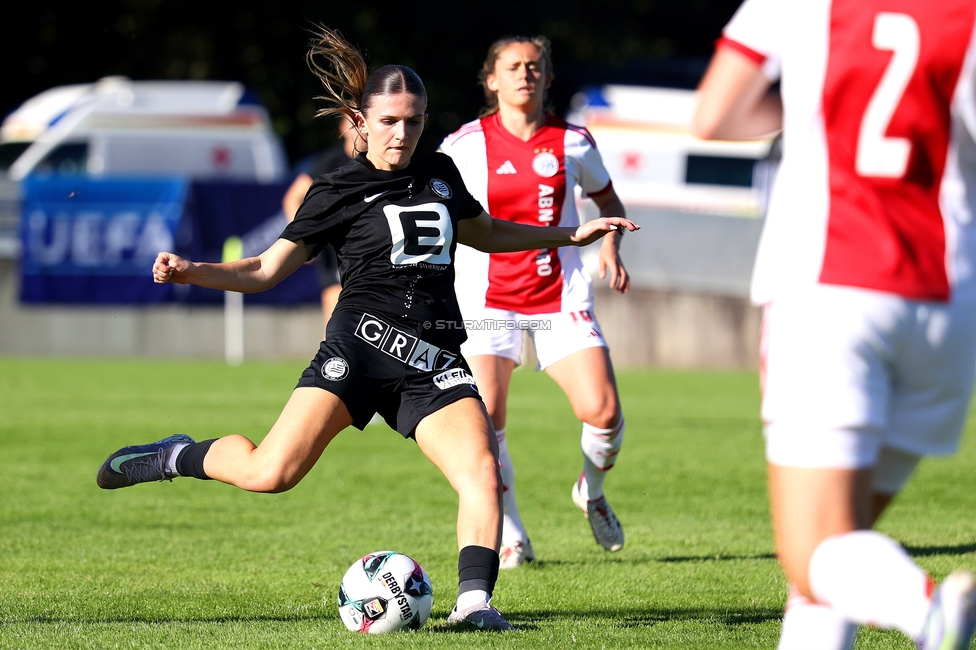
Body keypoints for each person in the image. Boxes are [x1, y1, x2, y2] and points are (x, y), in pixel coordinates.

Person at [94, 25, 638, 632]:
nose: (402, 133)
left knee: (482, 469)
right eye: (389, 122)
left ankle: (476, 604)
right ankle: (177, 455)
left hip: (432, 356)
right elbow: (265, 270)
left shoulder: (440, 173)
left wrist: (570, 234)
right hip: (357, 350)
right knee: (269, 474)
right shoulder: (335, 188)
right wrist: (195, 271)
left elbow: (483, 232)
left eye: (414, 120)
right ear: (361, 119)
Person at [693, 1, 976, 648]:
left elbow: (714, 114)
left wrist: (818, 111)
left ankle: (924, 608)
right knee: (832, 566)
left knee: (813, 550)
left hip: (830, 293)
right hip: (945, 302)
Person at [439, 36, 630, 569]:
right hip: (486, 300)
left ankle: (590, 492)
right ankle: (512, 533)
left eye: (535, 66)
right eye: (513, 66)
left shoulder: (574, 142)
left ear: (548, 78)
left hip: (558, 299)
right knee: (487, 422)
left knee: (605, 412)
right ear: (491, 80)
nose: (525, 73)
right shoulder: (462, 145)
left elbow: (608, 202)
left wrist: (611, 244)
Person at [281, 116, 362, 327]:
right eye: (352, 123)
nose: (358, 129)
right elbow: (293, 197)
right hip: (335, 253)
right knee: (337, 323)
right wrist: (304, 237)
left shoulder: (378, 164)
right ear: (343, 127)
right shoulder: (330, 162)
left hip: (368, 249)